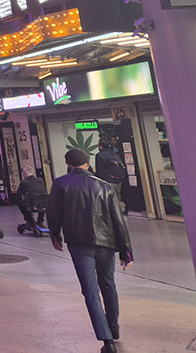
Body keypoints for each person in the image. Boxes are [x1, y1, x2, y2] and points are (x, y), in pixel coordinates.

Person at [47, 148, 133, 353]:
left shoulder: (60, 184)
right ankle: (114, 326)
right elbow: (118, 220)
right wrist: (126, 251)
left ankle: (107, 341)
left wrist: (55, 234)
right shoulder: (104, 186)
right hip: (107, 243)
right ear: (87, 164)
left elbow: (53, 211)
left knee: (91, 291)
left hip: (79, 243)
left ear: (68, 163)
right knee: (108, 284)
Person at [95, 139, 127, 214]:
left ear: (100, 146)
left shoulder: (100, 155)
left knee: (108, 198)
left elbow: (100, 170)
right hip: (119, 179)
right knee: (117, 197)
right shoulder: (115, 154)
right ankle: (118, 212)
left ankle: (110, 213)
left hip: (107, 180)